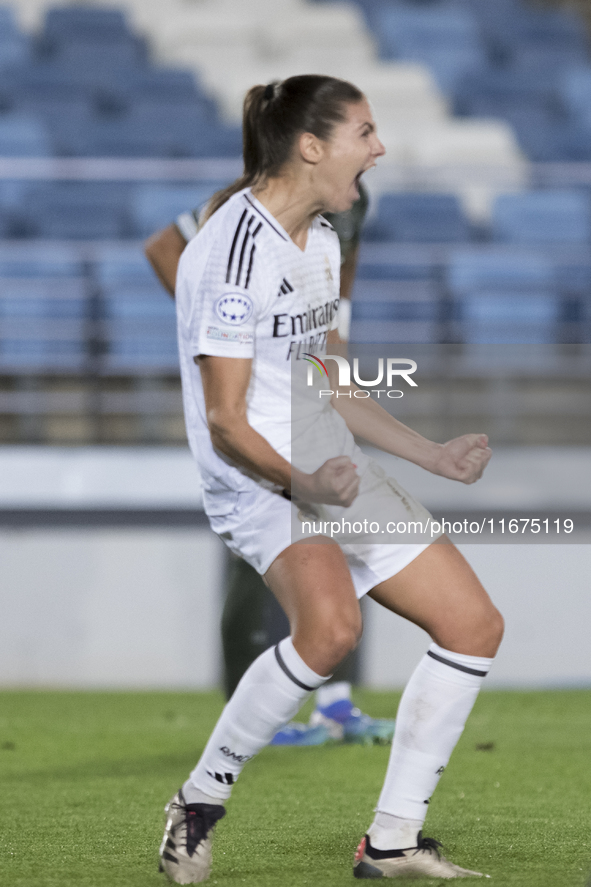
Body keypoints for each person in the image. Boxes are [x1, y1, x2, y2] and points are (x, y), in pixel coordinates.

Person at [160, 75, 503, 883]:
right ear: (310, 146)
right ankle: (198, 802)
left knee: (472, 625)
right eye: (365, 131)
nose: (378, 148)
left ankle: (390, 842)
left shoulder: (320, 238)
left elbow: (330, 383)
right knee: (329, 629)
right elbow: (226, 420)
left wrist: (431, 455)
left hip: (322, 464)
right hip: (260, 478)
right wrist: (306, 479)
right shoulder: (231, 252)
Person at [146, 182, 396, 746]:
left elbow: (343, 267)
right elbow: (163, 248)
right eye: (361, 132)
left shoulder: (355, 196)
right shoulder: (247, 197)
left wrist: (336, 348)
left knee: (350, 534)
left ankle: (335, 704)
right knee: (257, 558)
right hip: (255, 402)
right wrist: (225, 342)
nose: (375, 147)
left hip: (306, 391)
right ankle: (250, 710)